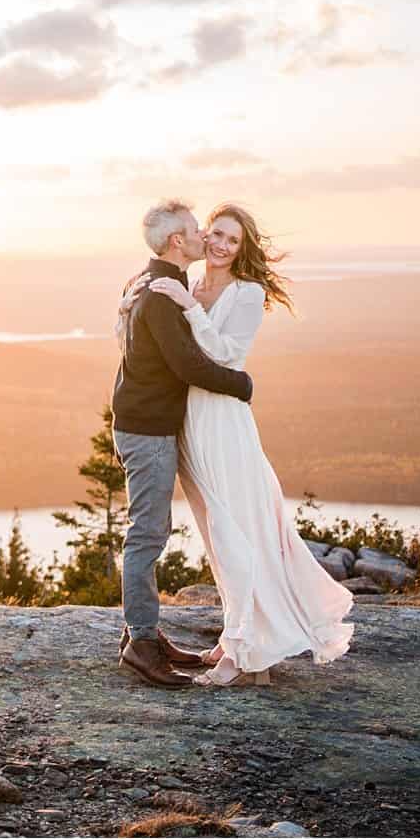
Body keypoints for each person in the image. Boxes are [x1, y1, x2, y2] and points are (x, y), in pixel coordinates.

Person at [142, 203, 354, 686]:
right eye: (214, 233)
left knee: (237, 529)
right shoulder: (190, 282)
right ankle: (233, 635)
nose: (218, 244)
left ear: (243, 249)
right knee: (216, 534)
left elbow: (227, 355)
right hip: (189, 419)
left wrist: (189, 307)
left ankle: (246, 652)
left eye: (231, 240)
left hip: (221, 418)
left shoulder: (245, 292)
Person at [111, 199, 256, 689]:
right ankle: (142, 645)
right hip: (147, 429)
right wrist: (242, 385)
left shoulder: (146, 284)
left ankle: (144, 633)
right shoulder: (159, 296)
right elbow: (189, 366)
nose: (203, 237)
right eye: (197, 231)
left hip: (144, 423)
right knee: (148, 535)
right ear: (178, 241)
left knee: (150, 530)